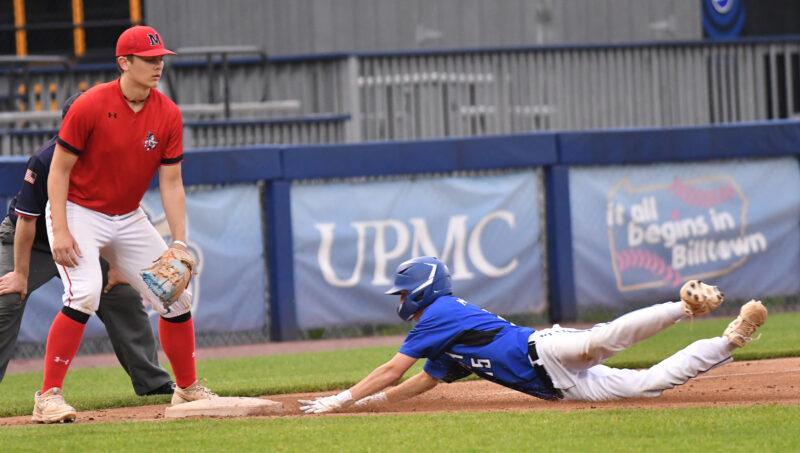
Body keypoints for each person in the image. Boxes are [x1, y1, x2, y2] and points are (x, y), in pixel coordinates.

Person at [299, 256, 767, 413]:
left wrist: (342, 399)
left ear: (422, 290)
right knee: (648, 385)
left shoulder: (438, 313)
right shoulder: (443, 335)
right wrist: (367, 404)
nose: (400, 301)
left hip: (540, 349)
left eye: (402, 292)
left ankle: (682, 305)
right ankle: (732, 340)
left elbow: (391, 369)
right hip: (558, 388)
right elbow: (423, 380)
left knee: (597, 341)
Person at [32, 25, 216, 424]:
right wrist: (61, 229)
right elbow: (58, 171)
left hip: (128, 216)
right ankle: (47, 396)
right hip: (80, 211)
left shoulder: (167, 113)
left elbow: (171, 181)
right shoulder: (91, 104)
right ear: (124, 62)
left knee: (177, 296)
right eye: (149, 60)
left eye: (161, 59)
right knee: (84, 293)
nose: (158, 66)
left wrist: (179, 242)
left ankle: (185, 389)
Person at [0, 93, 174, 396]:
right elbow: (26, 221)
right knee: (5, 299)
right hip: (33, 242)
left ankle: (154, 385)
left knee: (123, 297)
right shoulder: (45, 159)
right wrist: (20, 273)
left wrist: (123, 266)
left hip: (87, 242)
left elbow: (124, 207)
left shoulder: (111, 153)